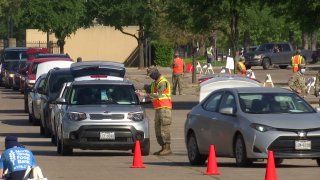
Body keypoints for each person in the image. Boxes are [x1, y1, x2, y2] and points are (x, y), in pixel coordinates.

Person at [136, 67, 172, 156]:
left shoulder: (163, 82)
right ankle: (163, 147)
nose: (151, 77)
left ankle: (167, 148)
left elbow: (157, 94)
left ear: (156, 73)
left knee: (164, 128)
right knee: (158, 129)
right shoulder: (155, 83)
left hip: (165, 108)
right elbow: (148, 88)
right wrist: (140, 90)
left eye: (151, 75)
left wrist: (144, 94)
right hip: (158, 108)